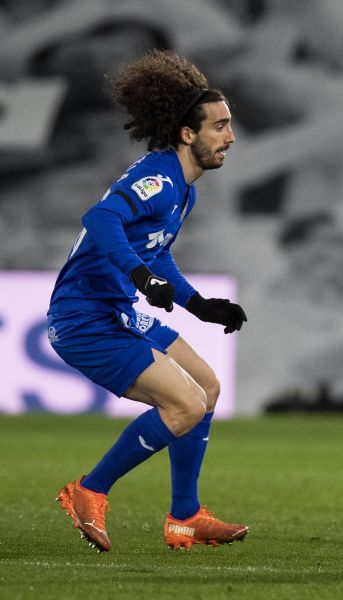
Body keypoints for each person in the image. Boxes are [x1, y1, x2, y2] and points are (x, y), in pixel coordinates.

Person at [48, 49, 249, 552]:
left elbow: (155, 256)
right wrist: (138, 275)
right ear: (188, 133)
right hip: (85, 318)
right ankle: (88, 490)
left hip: (117, 309)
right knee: (184, 405)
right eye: (219, 126)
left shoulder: (183, 188)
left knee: (207, 387)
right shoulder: (158, 180)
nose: (230, 136)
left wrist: (198, 303)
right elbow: (99, 219)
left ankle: (185, 517)